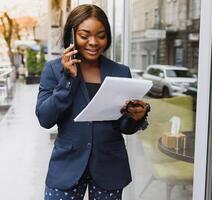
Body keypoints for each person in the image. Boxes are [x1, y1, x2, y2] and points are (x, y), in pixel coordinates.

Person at [36, 4, 150, 200]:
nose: (93, 42)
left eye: (101, 35)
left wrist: (135, 118)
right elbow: (45, 119)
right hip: (67, 167)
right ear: (71, 36)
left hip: (109, 166)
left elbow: (123, 126)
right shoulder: (54, 70)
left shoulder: (120, 72)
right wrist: (67, 80)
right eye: (84, 35)